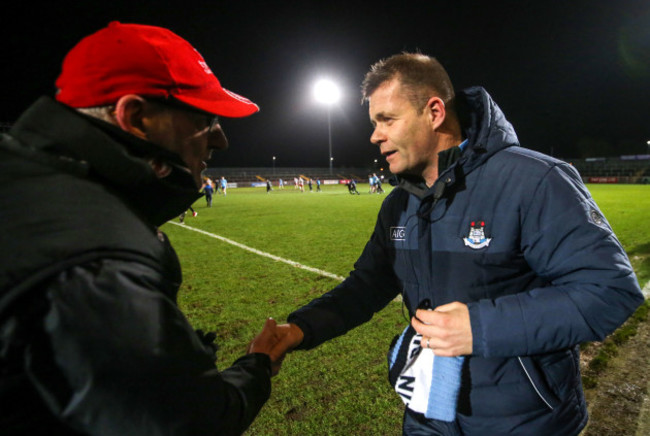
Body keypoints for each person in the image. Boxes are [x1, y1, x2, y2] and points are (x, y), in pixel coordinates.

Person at [268, 53, 644, 435]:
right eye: (373, 123)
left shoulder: (535, 180)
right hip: (428, 415)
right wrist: (299, 330)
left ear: (434, 112)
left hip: (524, 423)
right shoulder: (398, 204)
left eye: (387, 120)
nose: (374, 135)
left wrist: (479, 327)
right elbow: (366, 286)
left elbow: (609, 289)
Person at [0, 21, 289, 435]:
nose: (220, 139)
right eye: (204, 117)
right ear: (135, 118)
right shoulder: (95, 252)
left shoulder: (28, 183)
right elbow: (192, 420)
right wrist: (257, 365)